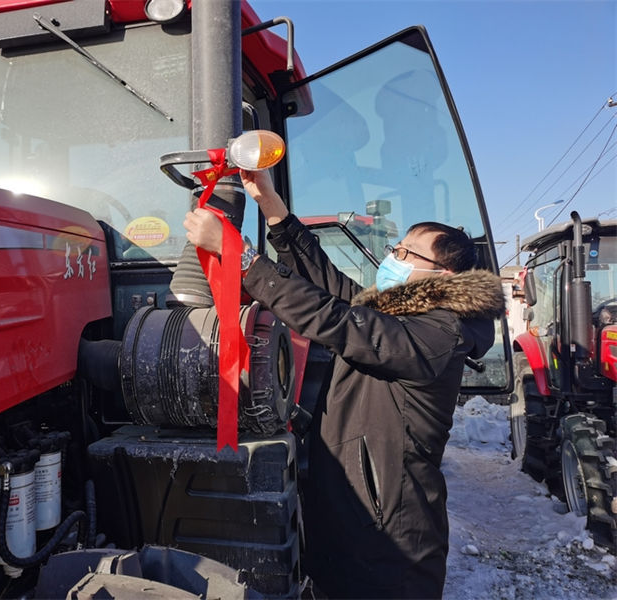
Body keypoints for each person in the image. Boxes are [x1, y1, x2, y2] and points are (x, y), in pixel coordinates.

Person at [183, 168, 505, 599]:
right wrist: (272, 206)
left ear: (444, 277)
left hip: (389, 540)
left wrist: (242, 259)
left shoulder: (441, 333)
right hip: (353, 517)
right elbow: (329, 286)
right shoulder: (402, 315)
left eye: (408, 254)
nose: (395, 258)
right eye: (397, 247)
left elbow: (340, 322)